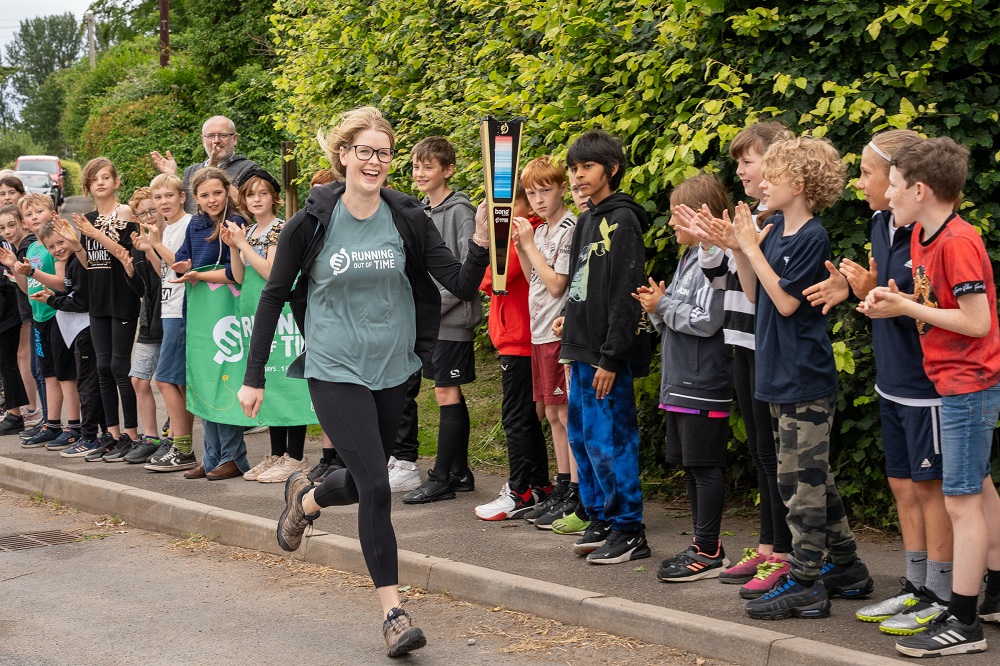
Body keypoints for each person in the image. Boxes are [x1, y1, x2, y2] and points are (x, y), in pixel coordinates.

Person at [238, 106, 489, 657]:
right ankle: (393, 613)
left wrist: (482, 242)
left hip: (393, 368)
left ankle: (305, 499)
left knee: (360, 479)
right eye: (365, 151)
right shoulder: (312, 222)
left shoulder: (407, 218)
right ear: (344, 154)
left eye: (384, 152)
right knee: (377, 486)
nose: (375, 162)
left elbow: (458, 283)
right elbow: (274, 294)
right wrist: (253, 375)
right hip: (334, 368)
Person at [804, 130, 955, 635]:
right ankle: (915, 587)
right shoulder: (879, 223)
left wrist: (880, 295)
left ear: (903, 179)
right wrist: (855, 288)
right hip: (892, 380)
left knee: (931, 489)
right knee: (902, 485)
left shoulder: (930, 232)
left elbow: (936, 312)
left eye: (869, 173)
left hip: (928, 384)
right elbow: (887, 296)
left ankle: (942, 592)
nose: (861, 183)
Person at [860, 137, 1000, 657]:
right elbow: (927, 298)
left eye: (894, 186)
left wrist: (907, 310)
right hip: (951, 382)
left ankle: (963, 622)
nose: (888, 194)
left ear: (920, 189)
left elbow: (977, 321)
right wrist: (893, 297)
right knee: (979, 489)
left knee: (960, 502)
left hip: (966, 385)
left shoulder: (956, 242)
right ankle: (995, 594)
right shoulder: (922, 234)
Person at [730, 136, 873, 620]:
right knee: (812, 477)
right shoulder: (774, 230)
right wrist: (744, 249)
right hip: (777, 373)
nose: (761, 183)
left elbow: (789, 302)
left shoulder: (813, 235)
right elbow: (756, 293)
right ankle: (849, 567)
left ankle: (807, 579)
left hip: (804, 378)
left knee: (800, 484)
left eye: (771, 174)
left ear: (800, 182)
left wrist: (755, 248)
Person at [675, 122, 795, 598]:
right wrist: (713, 243)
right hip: (743, 340)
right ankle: (768, 546)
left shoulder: (775, 218)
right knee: (763, 453)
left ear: (778, 161)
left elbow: (762, 287)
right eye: (740, 161)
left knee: (778, 456)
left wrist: (729, 243)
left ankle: (784, 552)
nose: (740, 170)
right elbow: (725, 281)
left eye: (748, 160)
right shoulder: (758, 213)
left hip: (765, 343)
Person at [553, 129, 650, 565]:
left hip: (607, 355)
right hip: (578, 347)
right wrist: (569, 319)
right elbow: (581, 282)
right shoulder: (588, 218)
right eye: (573, 169)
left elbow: (625, 292)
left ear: (610, 169)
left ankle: (629, 527)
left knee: (612, 441)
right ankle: (600, 517)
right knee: (583, 438)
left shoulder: (623, 219)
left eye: (586, 167)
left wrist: (612, 355)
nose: (577, 176)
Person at [636, 174, 733, 582]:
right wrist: (658, 307)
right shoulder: (687, 257)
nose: (671, 225)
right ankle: (702, 543)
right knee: (691, 467)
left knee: (706, 466)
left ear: (701, 216)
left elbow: (708, 321)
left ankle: (710, 549)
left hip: (703, 382)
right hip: (679, 381)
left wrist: (665, 304)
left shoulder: (717, 260)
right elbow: (676, 321)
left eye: (678, 216)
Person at [400, 136, 481, 504]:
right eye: (416, 166)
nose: (419, 173)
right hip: (431, 320)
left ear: (448, 170)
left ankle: (441, 479)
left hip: (450, 319)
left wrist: (430, 310)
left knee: (446, 392)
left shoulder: (460, 211)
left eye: (428, 166)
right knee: (447, 393)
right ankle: (460, 472)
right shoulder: (420, 211)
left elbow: (469, 272)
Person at [225, 166, 311, 484]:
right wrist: (235, 246)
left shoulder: (279, 230)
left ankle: (295, 455)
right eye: (250, 194)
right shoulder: (248, 232)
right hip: (258, 320)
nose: (257, 199)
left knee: (289, 384)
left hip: (283, 320)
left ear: (273, 198)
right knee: (269, 387)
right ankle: (276, 454)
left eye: (263, 193)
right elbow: (238, 275)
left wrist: (243, 246)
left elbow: (272, 273)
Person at [474, 179, 553, 521]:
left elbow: (493, 279)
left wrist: (497, 247)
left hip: (521, 338)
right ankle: (539, 485)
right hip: (516, 336)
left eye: (507, 205)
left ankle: (519, 490)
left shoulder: (525, 235)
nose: (499, 213)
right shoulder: (519, 236)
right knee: (525, 419)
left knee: (517, 418)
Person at [168, 166, 249, 480]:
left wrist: (198, 274)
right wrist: (182, 265)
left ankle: (234, 457)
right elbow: (184, 257)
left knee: (223, 382)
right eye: (205, 195)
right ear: (195, 199)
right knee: (203, 383)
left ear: (227, 190)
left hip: (225, 311)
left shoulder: (236, 222)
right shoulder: (196, 223)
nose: (212, 199)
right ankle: (212, 456)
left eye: (217, 192)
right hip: (200, 311)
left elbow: (233, 272)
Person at [71, 158, 141, 461]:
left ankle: (133, 434)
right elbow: (89, 263)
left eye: (105, 178)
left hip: (122, 298)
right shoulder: (87, 218)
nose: (100, 183)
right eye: (94, 179)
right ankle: (111, 435)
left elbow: (123, 253)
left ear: (115, 182)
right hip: (98, 301)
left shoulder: (124, 212)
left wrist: (95, 233)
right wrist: (74, 244)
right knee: (101, 369)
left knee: (119, 368)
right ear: (88, 186)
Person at [2, 195, 78, 449]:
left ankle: (74, 426)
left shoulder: (53, 244)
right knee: (48, 374)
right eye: (29, 214)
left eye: (39, 212)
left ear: (52, 213)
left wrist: (32, 272)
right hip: (39, 317)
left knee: (65, 375)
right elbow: (25, 289)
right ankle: (52, 423)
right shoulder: (33, 248)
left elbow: (60, 283)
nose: (34, 217)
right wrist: (15, 267)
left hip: (57, 315)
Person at [31, 218, 103, 457]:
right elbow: (72, 293)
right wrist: (54, 295)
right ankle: (98, 434)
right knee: (88, 383)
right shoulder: (70, 263)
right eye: (51, 247)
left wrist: (52, 300)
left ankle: (90, 436)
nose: (57, 249)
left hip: (86, 329)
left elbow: (80, 301)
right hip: (78, 331)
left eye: (61, 242)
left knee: (88, 385)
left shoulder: (78, 263)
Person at [140, 173, 196, 470]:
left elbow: (179, 264)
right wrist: (151, 248)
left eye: (169, 196)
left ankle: (182, 447)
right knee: (180, 383)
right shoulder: (168, 226)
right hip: (168, 308)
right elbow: (163, 270)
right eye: (158, 197)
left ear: (182, 197)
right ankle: (181, 446)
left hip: (181, 309)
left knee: (164, 380)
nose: (163, 202)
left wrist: (158, 244)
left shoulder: (187, 224)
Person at [150, 115, 258, 215]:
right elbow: (179, 211)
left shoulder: (249, 169)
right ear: (203, 140)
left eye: (223, 135)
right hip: (194, 233)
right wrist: (173, 177)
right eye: (210, 136)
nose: (216, 141)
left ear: (235, 139)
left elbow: (248, 207)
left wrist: (214, 172)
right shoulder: (191, 171)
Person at [0, 205, 30, 435]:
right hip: (8, 310)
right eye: (3, 228)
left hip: (9, 312)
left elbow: (10, 280)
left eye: (11, 225)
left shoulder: (23, 247)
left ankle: (15, 414)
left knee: (8, 363)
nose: (7, 231)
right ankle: (12, 412)